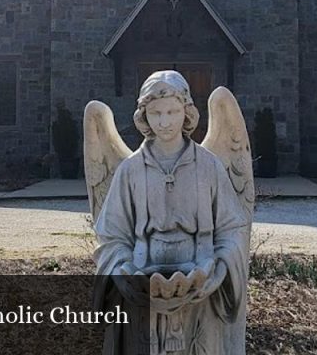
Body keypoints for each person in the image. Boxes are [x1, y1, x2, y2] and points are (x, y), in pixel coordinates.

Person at [93, 70, 249, 355]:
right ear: (144, 116)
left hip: (200, 286)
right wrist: (122, 273)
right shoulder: (130, 171)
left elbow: (231, 230)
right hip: (142, 288)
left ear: (186, 112)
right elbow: (112, 236)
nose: (164, 122)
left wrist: (220, 270)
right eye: (155, 113)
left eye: (172, 111)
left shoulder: (209, 167)